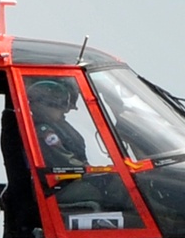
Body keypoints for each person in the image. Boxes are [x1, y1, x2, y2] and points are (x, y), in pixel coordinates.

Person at [27, 78, 141, 227]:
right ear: (43, 105)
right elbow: (65, 162)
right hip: (61, 186)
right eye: (59, 107)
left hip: (72, 179)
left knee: (120, 183)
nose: (65, 110)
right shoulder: (44, 132)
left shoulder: (58, 125)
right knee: (123, 188)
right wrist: (94, 175)